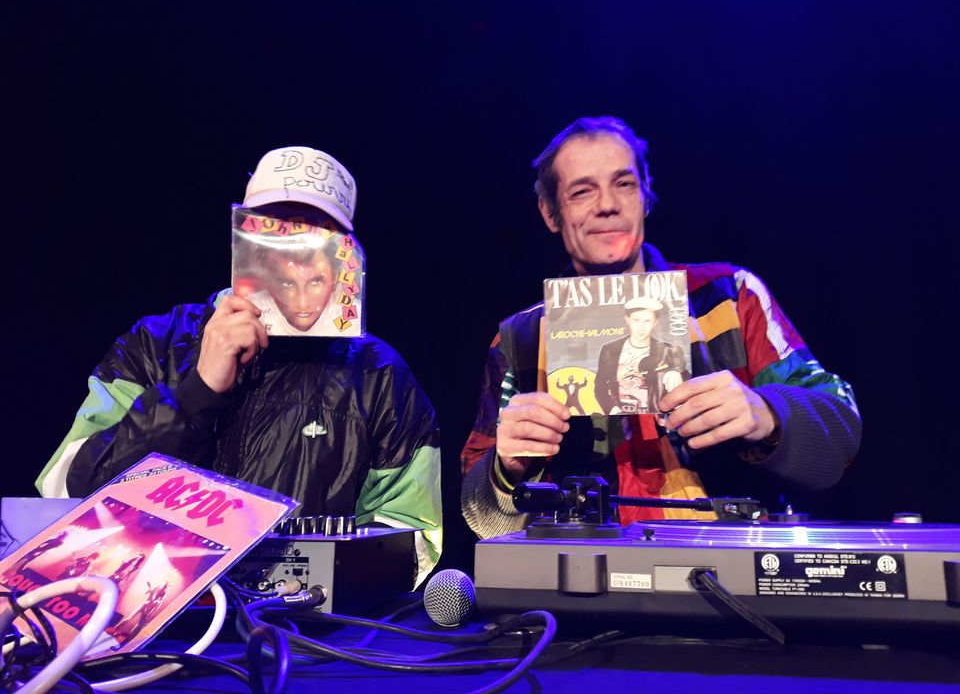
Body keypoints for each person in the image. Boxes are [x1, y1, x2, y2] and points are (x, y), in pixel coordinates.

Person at [36, 146, 442, 585]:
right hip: (145, 608)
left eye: (317, 233)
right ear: (246, 238)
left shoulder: (379, 375)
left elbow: (411, 538)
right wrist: (196, 392)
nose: (295, 252)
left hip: (297, 622)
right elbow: (65, 494)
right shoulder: (155, 342)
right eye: (275, 228)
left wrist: (320, 587)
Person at [461, 117, 861, 537]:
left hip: (725, 561)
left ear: (645, 195)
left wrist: (768, 413)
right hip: (581, 569)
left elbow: (842, 432)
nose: (607, 204)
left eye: (623, 184)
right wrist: (506, 470)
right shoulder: (521, 339)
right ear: (550, 213)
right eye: (582, 191)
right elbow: (481, 520)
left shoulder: (729, 296)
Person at [594, 297, 689, 414]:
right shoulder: (609, 350)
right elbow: (600, 386)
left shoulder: (670, 351)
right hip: (620, 415)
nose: (641, 327)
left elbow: (687, 381)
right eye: (636, 320)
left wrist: (676, 373)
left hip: (657, 415)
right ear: (627, 320)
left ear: (655, 322)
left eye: (647, 321)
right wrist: (612, 409)